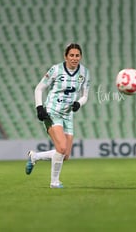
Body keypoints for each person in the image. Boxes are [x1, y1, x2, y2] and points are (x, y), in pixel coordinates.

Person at [25, 43, 90, 189]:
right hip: (52, 112)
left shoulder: (84, 73)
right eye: (71, 55)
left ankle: (34, 156)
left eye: (77, 55)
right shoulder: (56, 69)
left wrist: (79, 103)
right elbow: (39, 88)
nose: (74, 58)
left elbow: (85, 96)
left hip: (68, 115)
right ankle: (54, 182)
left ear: (81, 57)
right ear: (65, 56)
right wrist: (39, 107)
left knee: (65, 155)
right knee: (61, 148)